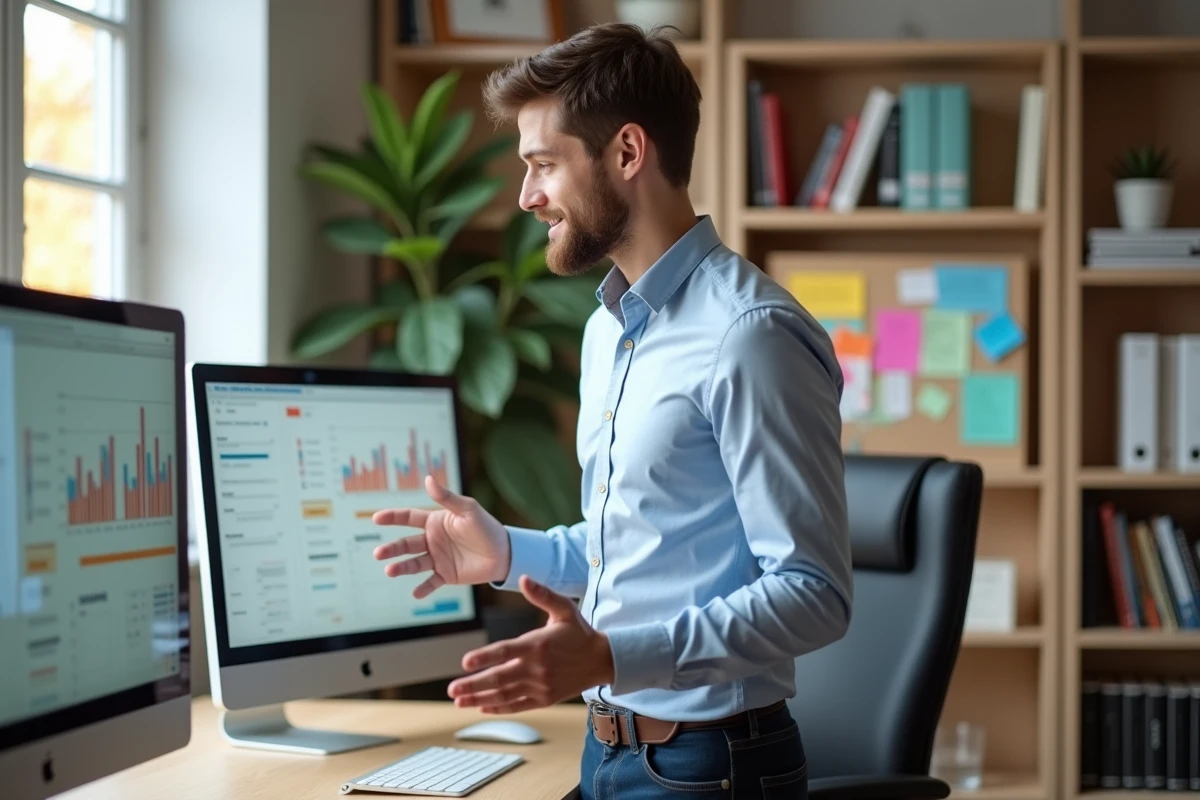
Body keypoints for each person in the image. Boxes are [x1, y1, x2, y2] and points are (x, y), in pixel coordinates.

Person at [372, 22, 853, 800]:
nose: (526, 197)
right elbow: (636, 547)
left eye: (543, 166)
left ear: (628, 153)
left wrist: (611, 658)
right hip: (608, 751)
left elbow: (814, 592)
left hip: (712, 768)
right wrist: (506, 553)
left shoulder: (749, 336)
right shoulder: (609, 330)